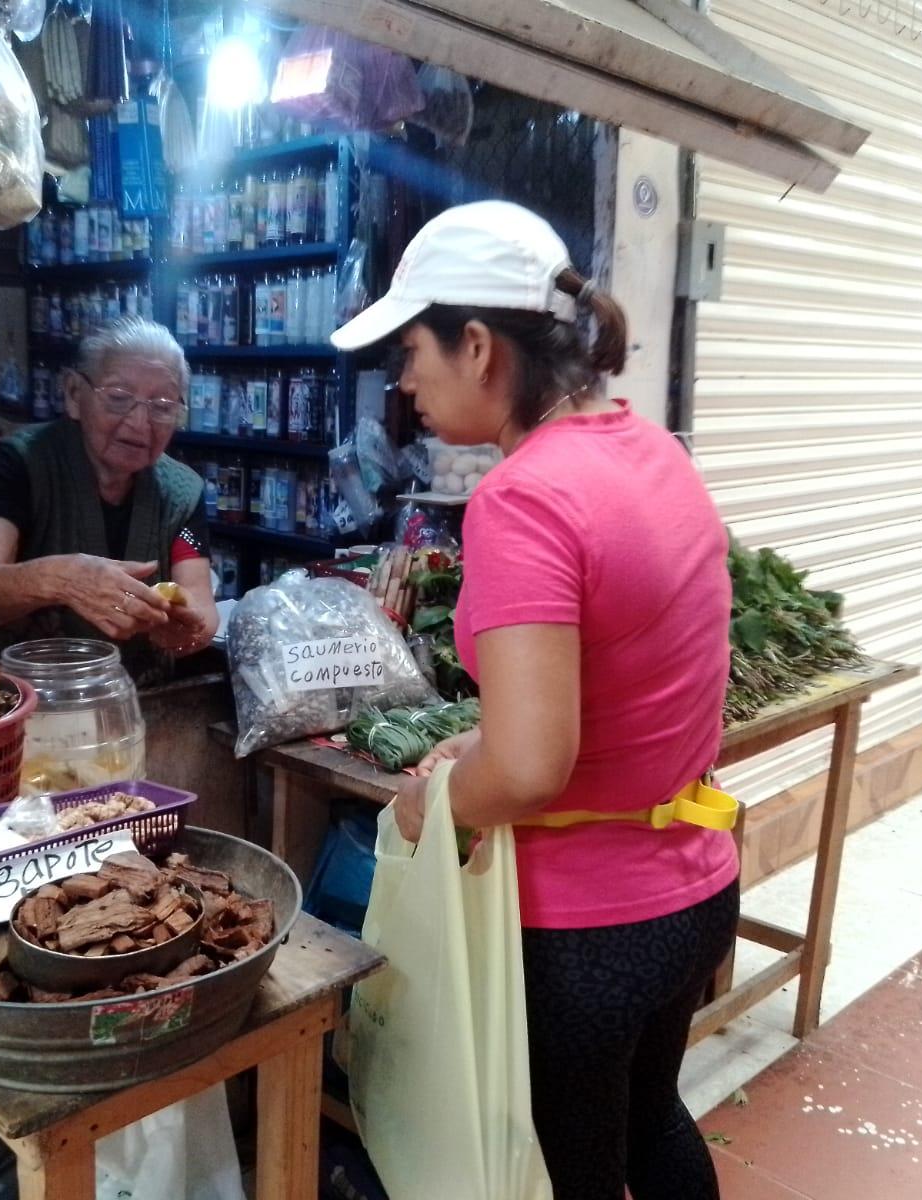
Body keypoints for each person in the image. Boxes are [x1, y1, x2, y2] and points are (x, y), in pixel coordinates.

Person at [331, 201, 739, 1200]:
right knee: (651, 1124)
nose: (404, 382)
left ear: (476, 346)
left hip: (587, 930)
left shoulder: (523, 497)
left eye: (413, 349)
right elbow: (623, 675)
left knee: (574, 1172)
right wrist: (486, 731)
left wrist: (432, 800)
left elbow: (525, 771)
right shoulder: (649, 452)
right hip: (692, 885)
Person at [0, 317, 218, 685]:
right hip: (26, 699)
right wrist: (63, 579)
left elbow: (200, 599)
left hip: (136, 702)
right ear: (74, 395)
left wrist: (187, 632)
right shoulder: (21, 465)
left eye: (162, 405)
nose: (141, 424)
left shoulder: (182, 493)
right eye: (119, 398)